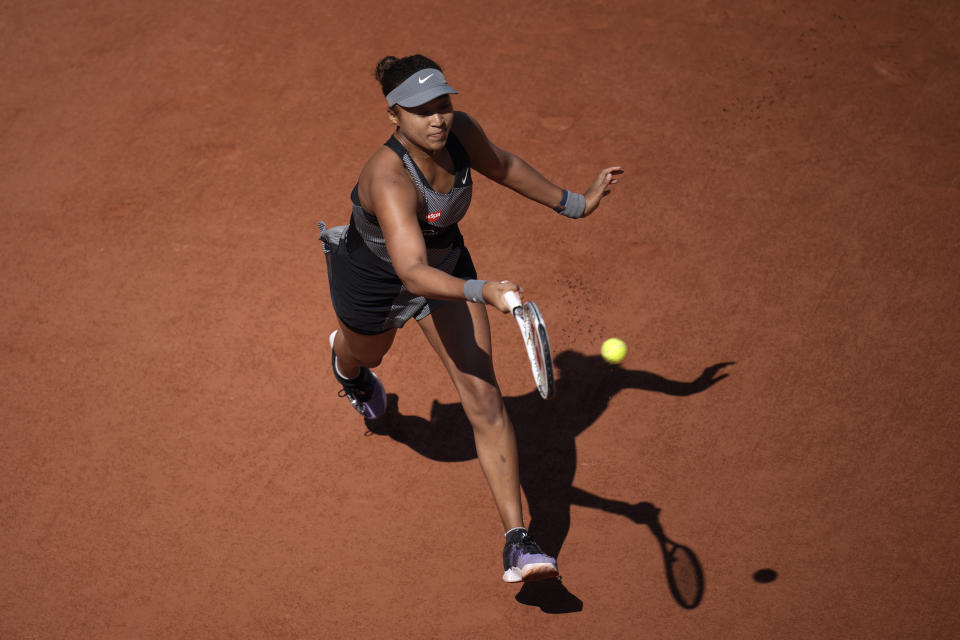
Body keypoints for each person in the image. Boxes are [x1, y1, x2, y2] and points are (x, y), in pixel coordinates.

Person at [319, 54, 622, 584]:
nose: (437, 119)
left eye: (443, 105)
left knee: (484, 397)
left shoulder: (459, 135)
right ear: (393, 114)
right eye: (421, 110)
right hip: (375, 281)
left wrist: (574, 203)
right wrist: (484, 291)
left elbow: (503, 166)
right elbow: (410, 271)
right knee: (366, 352)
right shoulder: (388, 176)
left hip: (446, 271)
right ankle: (348, 371)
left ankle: (518, 542)